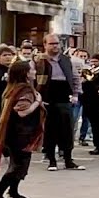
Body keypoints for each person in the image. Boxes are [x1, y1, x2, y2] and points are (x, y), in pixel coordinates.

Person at [0, 60, 44, 198]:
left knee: (20, 163)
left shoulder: (14, 88)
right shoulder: (24, 90)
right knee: (18, 165)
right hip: (20, 134)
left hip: (15, 133)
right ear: (26, 73)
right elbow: (22, 111)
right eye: (32, 69)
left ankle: (13, 192)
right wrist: (37, 102)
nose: (35, 71)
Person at [34, 34, 83, 171]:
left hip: (63, 95)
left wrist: (75, 94)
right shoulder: (39, 60)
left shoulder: (66, 60)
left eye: (56, 43)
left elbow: (75, 77)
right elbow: (32, 79)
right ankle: (52, 160)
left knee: (67, 129)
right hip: (47, 96)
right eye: (51, 44)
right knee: (50, 129)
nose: (55, 46)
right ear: (45, 45)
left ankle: (68, 159)